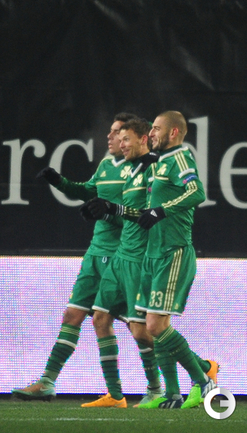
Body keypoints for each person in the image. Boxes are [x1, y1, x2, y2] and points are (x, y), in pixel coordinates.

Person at [87, 111, 217, 409]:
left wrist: (162, 210)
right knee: (149, 328)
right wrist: (114, 209)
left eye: (156, 129)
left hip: (173, 252)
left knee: (156, 327)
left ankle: (203, 379)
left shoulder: (180, 158)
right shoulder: (157, 166)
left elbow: (197, 192)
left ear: (173, 133)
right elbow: (146, 214)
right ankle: (174, 391)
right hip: (152, 254)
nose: (152, 133)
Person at [11, 112, 137, 402]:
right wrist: (59, 181)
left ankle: (197, 371)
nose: (110, 136)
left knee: (142, 328)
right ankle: (49, 382)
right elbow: (88, 191)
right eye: (111, 131)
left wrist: (109, 212)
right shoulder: (106, 165)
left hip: (122, 257)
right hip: (96, 254)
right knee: (74, 315)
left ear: (131, 137)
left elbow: (138, 218)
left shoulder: (139, 172)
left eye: (117, 132)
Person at [79, 118, 162, 408]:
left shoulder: (155, 168)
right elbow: (127, 212)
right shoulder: (131, 169)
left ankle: (188, 374)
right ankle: (115, 395)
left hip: (139, 258)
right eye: (119, 137)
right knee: (100, 318)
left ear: (143, 139)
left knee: (142, 331)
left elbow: (152, 213)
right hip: (120, 255)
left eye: (125, 138)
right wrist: (105, 212)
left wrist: (113, 208)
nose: (119, 143)